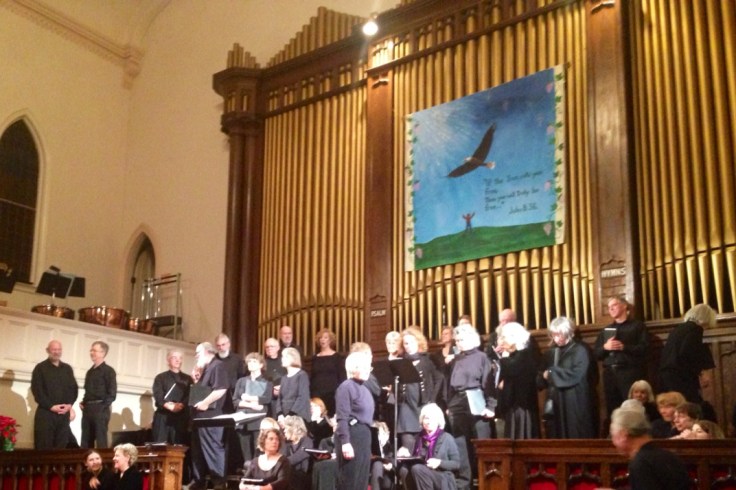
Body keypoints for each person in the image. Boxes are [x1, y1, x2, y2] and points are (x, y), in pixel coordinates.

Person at [446, 324, 495, 477]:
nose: (458, 343)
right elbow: (451, 384)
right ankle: (464, 481)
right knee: (460, 443)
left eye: (461, 340)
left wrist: (491, 407)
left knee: (481, 442)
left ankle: (486, 479)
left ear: (471, 339)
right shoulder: (456, 359)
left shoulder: (482, 357)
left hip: (476, 400)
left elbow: (489, 384)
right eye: (457, 340)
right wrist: (449, 405)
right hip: (457, 402)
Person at [594, 297, 649, 423]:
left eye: (614, 305)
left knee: (631, 408)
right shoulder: (606, 330)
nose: (611, 309)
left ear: (624, 306)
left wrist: (625, 347)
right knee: (613, 409)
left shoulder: (637, 326)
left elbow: (645, 349)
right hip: (610, 374)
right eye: (609, 307)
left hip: (629, 372)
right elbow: (596, 354)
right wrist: (605, 347)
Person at [539, 317, 595, 438]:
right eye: (554, 335)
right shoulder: (552, 352)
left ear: (568, 332)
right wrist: (543, 376)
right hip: (557, 400)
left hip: (574, 401)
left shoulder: (580, 350)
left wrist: (551, 373)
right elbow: (541, 374)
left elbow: (575, 374)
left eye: (560, 335)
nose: (556, 339)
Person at [607, 408, 689, 490]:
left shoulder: (641, 463)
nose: (613, 442)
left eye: (613, 436)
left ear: (623, 435)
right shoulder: (670, 456)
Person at [189, 342, 229, 490]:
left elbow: (221, 389)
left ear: (207, 351)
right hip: (200, 417)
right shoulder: (206, 368)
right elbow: (202, 391)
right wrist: (196, 381)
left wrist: (205, 402)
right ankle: (198, 481)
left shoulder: (218, 366)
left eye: (198, 353)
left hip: (211, 417)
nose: (196, 356)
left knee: (213, 448)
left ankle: (219, 482)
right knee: (198, 450)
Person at [659, 303, 717, 403]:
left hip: (666, 375)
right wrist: (700, 373)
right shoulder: (695, 329)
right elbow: (688, 352)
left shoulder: (678, 329)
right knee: (689, 405)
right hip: (680, 377)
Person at [396, 403, 462, 490]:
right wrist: (403, 455)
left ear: (438, 420)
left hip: (442, 477)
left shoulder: (447, 438)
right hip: (421, 473)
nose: (428, 421)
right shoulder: (417, 438)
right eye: (426, 418)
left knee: (417, 468)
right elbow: (413, 458)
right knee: (404, 469)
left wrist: (439, 463)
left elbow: (456, 464)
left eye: (432, 418)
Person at [397, 327, 442, 451]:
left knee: (423, 446)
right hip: (406, 407)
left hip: (423, 405)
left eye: (412, 342)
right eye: (406, 343)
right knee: (407, 444)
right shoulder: (400, 361)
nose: (409, 345)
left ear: (418, 342)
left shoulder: (428, 360)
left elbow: (439, 379)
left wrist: (432, 400)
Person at [335, 351, 374, 490]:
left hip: (364, 436)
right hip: (352, 436)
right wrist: (345, 442)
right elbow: (342, 417)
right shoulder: (346, 387)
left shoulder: (365, 389)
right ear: (353, 368)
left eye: (369, 367)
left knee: (361, 481)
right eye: (364, 367)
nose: (368, 370)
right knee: (350, 480)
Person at [31, 339, 78, 449]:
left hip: (63, 414)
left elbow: (73, 389)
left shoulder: (67, 369)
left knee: (61, 447)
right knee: (44, 447)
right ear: (47, 350)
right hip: (46, 414)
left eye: (59, 349)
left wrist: (69, 405)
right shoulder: (40, 368)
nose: (57, 352)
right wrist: (51, 407)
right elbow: (37, 391)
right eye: (54, 349)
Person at [496, 322, 540, 439]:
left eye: (504, 338)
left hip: (522, 408)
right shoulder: (513, 356)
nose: (501, 342)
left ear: (514, 339)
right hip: (512, 406)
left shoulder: (525, 355)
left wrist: (504, 358)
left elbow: (513, 371)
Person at [233, 352, 273, 462]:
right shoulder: (241, 381)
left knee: (258, 450)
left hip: (257, 421)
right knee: (245, 453)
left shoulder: (267, 381)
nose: (251, 363)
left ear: (261, 365)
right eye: (249, 361)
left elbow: (267, 399)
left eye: (254, 361)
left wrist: (248, 398)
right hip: (242, 419)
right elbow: (235, 400)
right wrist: (252, 404)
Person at [81, 341, 117, 448]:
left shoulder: (109, 371)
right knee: (86, 440)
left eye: (94, 350)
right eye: (91, 350)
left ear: (102, 353)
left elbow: (112, 393)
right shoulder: (90, 372)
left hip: (100, 408)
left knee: (101, 440)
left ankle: (102, 459)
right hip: (88, 409)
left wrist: (102, 407)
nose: (91, 352)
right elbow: (88, 390)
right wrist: (84, 402)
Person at [151, 349, 192, 444]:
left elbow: (189, 395)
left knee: (179, 446)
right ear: (168, 360)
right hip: (163, 416)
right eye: (174, 357)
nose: (178, 360)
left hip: (181, 417)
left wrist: (180, 405)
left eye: (180, 358)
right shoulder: (160, 377)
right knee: (160, 445)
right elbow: (158, 396)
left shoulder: (188, 379)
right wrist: (170, 406)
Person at [310, 329, 346, 415]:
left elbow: (341, 376)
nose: (322, 340)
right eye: (321, 338)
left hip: (332, 393)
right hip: (317, 393)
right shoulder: (315, 358)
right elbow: (312, 376)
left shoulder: (337, 357)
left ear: (330, 340)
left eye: (325, 337)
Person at [274, 347, 310, 424]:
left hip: (298, 417)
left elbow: (302, 398)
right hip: (284, 417)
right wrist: (280, 414)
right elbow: (280, 398)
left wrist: (290, 414)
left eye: (286, 356)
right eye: (282, 356)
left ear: (293, 358)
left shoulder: (302, 375)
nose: (282, 359)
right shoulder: (284, 378)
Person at [282, 415, 313, 489]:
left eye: (286, 428)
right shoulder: (286, 444)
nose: (284, 431)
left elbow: (298, 457)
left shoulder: (307, 441)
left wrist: (280, 462)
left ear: (294, 428)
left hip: (303, 478)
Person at [262, 338, 286, 418]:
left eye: (272, 346)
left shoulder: (284, 362)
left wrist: (281, 388)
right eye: (267, 347)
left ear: (278, 348)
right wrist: (272, 390)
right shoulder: (262, 363)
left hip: (283, 398)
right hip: (268, 399)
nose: (269, 348)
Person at [370, 421, 394, 490]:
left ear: (387, 435)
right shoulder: (370, 448)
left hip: (387, 476)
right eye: (378, 434)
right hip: (373, 472)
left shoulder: (391, 448)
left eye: (383, 434)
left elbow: (394, 460)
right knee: (377, 464)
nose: (380, 437)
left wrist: (391, 465)